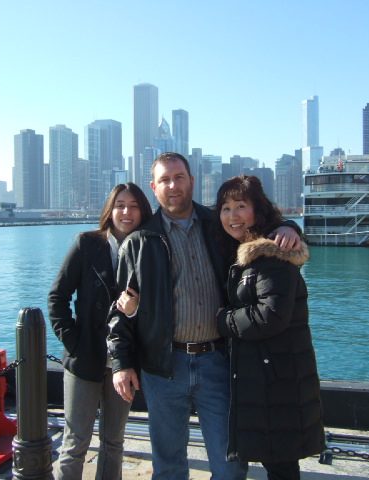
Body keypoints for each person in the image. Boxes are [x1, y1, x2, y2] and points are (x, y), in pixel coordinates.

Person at [107, 153, 302, 480]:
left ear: (192, 181)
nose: (173, 185)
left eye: (179, 177)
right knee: (168, 466)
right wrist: (121, 363)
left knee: (230, 467)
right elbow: (121, 311)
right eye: (165, 180)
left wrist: (288, 227)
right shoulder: (139, 242)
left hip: (219, 361)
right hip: (163, 367)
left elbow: (261, 231)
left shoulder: (220, 225)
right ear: (154, 187)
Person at [214, 175, 325, 480]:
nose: (233, 215)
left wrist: (223, 320)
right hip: (266, 375)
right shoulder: (243, 250)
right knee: (276, 460)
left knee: (280, 465)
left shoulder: (271, 254)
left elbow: (270, 316)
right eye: (225, 208)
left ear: (258, 210)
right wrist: (290, 226)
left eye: (241, 206)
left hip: (277, 379)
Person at [48, 183, 153, 480]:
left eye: (134, 206)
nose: (126, 212)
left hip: (126, 360)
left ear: (143, 211)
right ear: (110, 210)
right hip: (85, 357)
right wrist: (74, 342)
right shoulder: (87, 244)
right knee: (75, 441)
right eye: (120, 205)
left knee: (113, 441)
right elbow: (58, 296)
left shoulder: (149, 248)